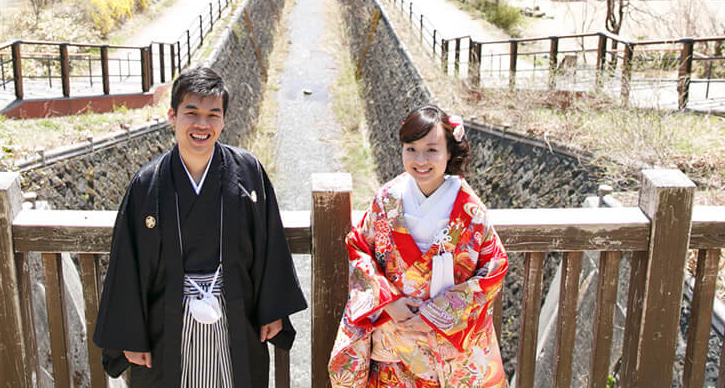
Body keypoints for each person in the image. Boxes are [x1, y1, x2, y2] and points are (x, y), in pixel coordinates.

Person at [94, 66, 307, 387]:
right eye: (191, 113)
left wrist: (272, 309)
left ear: (223, 120)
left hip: (234, 312)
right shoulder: (147, 184)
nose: (202, 125)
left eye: (213, 115)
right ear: (172, 116)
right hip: (167, 321)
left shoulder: (247, 171)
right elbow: (127, 263)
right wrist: (131, 337)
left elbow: (269, 243)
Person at [329, 105, 508, 388]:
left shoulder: (470, 210)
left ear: (449, 152)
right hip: (393, 331)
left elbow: (493, 269)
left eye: (432, 150)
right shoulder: (387, 199)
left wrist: (435, 314)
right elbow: (360, 248)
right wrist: (389, 300)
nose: (420, 160)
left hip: (444, 346)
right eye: (410, 149)